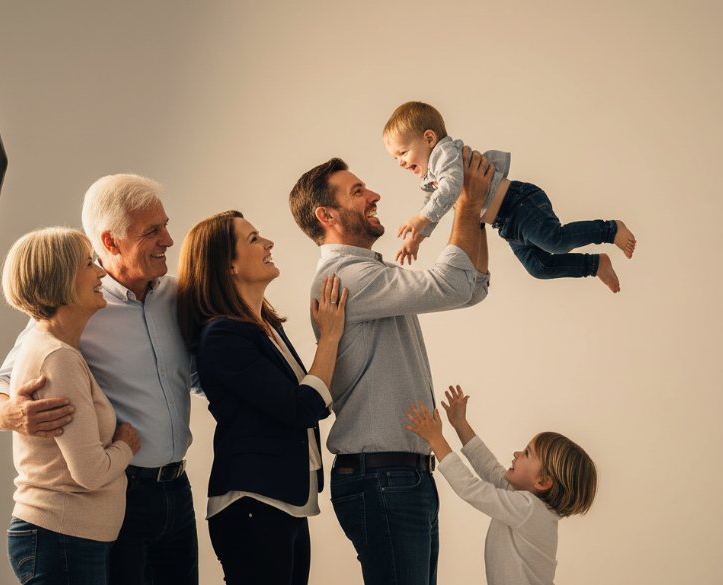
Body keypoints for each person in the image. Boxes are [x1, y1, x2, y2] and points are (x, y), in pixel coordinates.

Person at [0, 175, 199, 585]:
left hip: (177, 490)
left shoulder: (178, 297)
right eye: (152, 231)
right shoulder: (77, 306)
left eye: (165, 225)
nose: (168, 239)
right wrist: (11, 413)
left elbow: (197, 375)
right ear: (110, 242)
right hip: (121, 492)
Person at [287, 148, 493, 585]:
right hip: (382, 479)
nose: (375, 195)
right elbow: (453, 284)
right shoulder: (344, 280)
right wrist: (466, 202)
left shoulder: (370, 274)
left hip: (399, 477)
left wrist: (477, 212)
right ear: (326, 215)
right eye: (358, 192)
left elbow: (471, 288)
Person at [176, 210, 348, 585]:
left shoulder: (262, 327)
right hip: (253, 504)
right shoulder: (222, 336)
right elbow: (301, 407)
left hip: (283, 500)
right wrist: (331, 337)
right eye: (254, 239)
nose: (269, 244)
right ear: (228, 266)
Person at [1, 227, 141, 585]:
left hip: (68, 539)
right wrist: (126, 444)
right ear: (60, 278)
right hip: (61, 539)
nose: (101, 273)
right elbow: (90, 472)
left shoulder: (56, 348)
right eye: (88, 264)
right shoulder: (57, 358)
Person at [383, 101, 636, 292]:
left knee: (555, 241)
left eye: (403, 153)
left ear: (429, 138)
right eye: (395, 158)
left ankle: (610, 230)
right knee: (539, 268)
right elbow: (433, 207)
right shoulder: (431, 176)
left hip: (518, 204)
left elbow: (449, 190)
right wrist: (417, 238)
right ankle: (595, 265)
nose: (400, 163)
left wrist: (419, 218)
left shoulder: (444, 154)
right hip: (505, 223)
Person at [404, 385, 597, 585]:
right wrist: (460, 424)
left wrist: (437, 440)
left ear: (543, 481)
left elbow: (471, 489)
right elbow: (490, 468)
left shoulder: (529, 509)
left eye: (527, 454)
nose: (517, 454)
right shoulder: (525, 501)